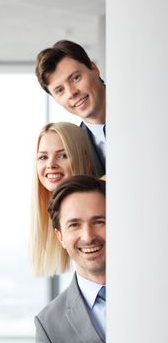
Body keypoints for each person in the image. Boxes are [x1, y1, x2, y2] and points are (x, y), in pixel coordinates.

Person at [34, 175, 106, 343]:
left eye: (99, 222)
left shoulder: (156, 292)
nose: (88, 237)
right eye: (74, 225)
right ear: (60, 237)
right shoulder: (48, 325)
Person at [30, 122, 96, 276]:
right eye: (43, 157)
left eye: (63, 155)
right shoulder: (62, 213)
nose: (51, 165)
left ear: (84, 159)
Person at [35, 40, 106, 178]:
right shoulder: (74, 148)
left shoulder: (147, 108)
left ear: (94, 69)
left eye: (75, 78)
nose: (71, 93)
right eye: (60, 90)